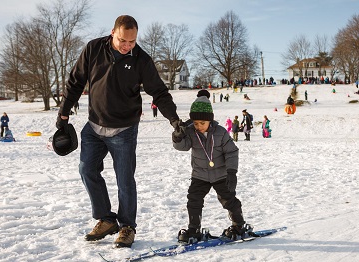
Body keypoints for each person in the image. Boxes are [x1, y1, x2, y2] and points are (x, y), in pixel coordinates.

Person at [55, 15, 181, 248]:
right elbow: (75, 82)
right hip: (93, 126)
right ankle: (105, 219)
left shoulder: (141, 60)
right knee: (87, 169)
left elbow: (159, 93)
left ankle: (127, 227)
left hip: (124, 129)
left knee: (125, 180)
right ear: (113, 32)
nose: (127, 46)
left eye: (132, 42)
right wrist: (63, 115)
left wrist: (174, 120)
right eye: (123, 40)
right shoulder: (93, 49)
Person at [172, 96, 248, 243]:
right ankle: (194, 229)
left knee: (228, 200)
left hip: (221, 175)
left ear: (210, 120)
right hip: (200, 175)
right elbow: (183, 146)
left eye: (202, 123)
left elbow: (232, 152)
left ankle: (239, 225)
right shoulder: (191, 132)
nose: (199, 126)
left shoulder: (220, 132)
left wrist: (231, 172)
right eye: (195, 123)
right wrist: (178, 136)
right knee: (194, 200)